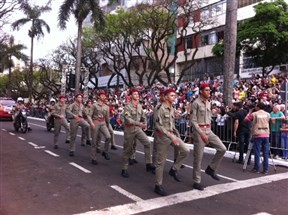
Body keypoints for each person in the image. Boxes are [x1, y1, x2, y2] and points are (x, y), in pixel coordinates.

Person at [190, 83, 227, 191]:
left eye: (209, 90)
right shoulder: (195, 103)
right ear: (201, 91)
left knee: (222, 148)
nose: (209, 92)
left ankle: (211, 168)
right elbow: (193, 121)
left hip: (208, 129)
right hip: (199, 131)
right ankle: (196, 181)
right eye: (206, 90)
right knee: (198, 157)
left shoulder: (208, 102)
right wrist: (201, 134)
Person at [154, 88, 189, 196]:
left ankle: (174, 169)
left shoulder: (172, 108)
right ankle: (158, 185)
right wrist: (171, 136)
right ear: (165, 97)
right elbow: (158, 126)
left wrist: (176, 135)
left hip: (172, 135)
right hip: (162, 137)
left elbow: (172, 124)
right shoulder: (160, 108)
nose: (174, 97)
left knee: (186, 150)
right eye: (172, 95)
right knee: (161, 162)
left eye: (175, 95)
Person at [121, 88, 154, 178]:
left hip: (138, 129)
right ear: (131, 96)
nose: (137, 95)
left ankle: (148, 164)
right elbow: (128, 119)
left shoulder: (139, 105)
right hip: (130, 129)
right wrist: (140, 124)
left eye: (137, 94)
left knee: (147, 143)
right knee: (127, 149)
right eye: (135, 94)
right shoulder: (127, 106)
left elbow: (143, 116)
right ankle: (124, 168)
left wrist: (145, 124)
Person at [245, 102, 270, 174]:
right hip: (266, 133)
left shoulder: (254, 114)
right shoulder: (267, 114)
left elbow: (246, 119)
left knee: (257, 152)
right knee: (265, 153)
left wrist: (249, 112)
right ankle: (266, 169)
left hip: (258, 134)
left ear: (258, 107)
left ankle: (256, 168)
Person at [90, 91, 111, 164]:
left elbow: (107, 117)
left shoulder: (106, 107)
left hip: (103, 122)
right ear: (99, 96)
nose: (104, 97)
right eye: (102, 95)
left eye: (104, 96)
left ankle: (105, 152)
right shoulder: (94, 105)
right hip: (95, 122)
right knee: (94, 141)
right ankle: (93, 158)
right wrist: (91, 123)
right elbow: (89, 115)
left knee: (108, 137)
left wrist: (108, 126)